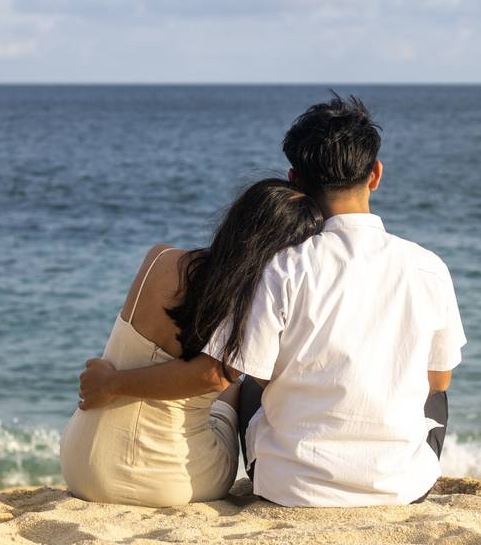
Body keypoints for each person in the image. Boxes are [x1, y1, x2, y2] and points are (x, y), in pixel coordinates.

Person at [79, 94, 467, 507]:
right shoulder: (429, 267)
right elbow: (437, 383)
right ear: (375, 174)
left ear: (294, 180)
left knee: (246, 380)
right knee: (434, 396)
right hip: (401, 489)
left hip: (291, 488)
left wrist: (114, 383)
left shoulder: (280, 266)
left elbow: (218, 375)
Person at [60, 178, 324, 507]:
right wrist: (113, 384)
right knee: (239, 387)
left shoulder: (161, 259)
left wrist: (112, 383)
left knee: (227, 379)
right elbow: (212, 375)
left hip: (80, 461)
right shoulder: (250, 302)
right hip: (166, 477)